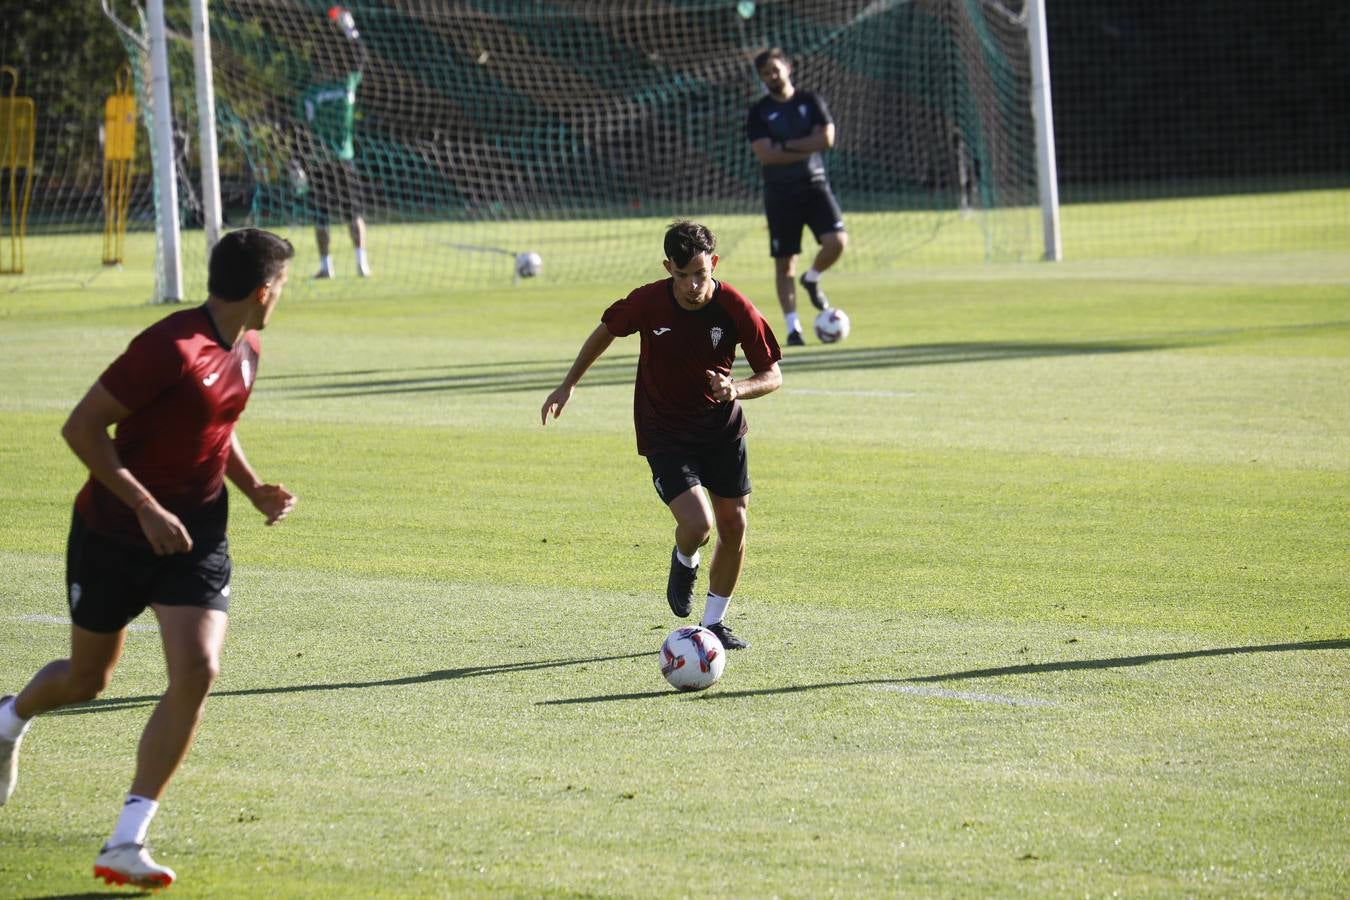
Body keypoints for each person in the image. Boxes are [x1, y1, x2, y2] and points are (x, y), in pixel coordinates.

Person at [0, 228, 298, 889]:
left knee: (198, 668)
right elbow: (82, 427)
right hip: (112, 531)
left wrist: (253, 490)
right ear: (262, 290)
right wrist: (142, 506)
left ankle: (127, 839)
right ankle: (7, 719)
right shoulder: (170, 346)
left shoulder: (248, 346)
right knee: (87, 680)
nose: (284, 299)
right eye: (283, 287)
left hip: (196, 538)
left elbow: (218, 426)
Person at [540, 221, 782, 649]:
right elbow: (605, 332)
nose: (692, 285)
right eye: (683, 274)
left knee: (734, 524)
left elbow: (772, 374)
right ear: (668, 266)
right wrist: (569, 383)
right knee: (699, 524)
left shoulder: (736, 308)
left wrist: (736, 389)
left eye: (701, 275)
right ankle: (684, 558)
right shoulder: (648, 301)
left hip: (721, 431)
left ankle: (712, 625)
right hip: (665, 432)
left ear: (715, 265)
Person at [746, 47, 848, 346]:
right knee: (785, 262)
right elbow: (766, 155)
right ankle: (793, 328)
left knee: (837, 241)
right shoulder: (759, 111)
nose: (772, 76)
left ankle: (813, 277)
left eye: (776, 69)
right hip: (780, 193)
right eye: (766, 73)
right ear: (762, 78)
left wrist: (786, 145)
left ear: (788, 67)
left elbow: (827, 139)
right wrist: (807, 143)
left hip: (815, 184)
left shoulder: (810, 101)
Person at [298, 5, 370, 279]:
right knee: (327, 216)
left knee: (345, 214)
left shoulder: (336, 87)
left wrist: (349, 29)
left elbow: (360, 59)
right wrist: (298, 160)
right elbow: (300, 129)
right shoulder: (318, 93)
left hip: (334, 160)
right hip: (326, 161)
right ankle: (335, 266)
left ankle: (353, 264)